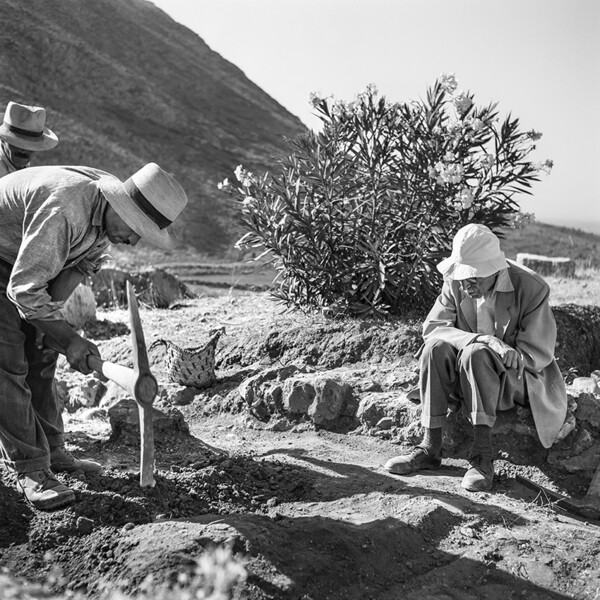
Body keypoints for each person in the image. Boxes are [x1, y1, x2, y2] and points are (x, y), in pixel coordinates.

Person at [0, 163, 187, 510]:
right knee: (7, 364)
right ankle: (30, 470)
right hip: (4, 259)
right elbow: (24, 291)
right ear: (121, 206)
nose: (132, 241)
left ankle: (53, 451)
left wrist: (53, 334)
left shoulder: (105, 220)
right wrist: (70, 339)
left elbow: (74, 271)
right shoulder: (66, 209)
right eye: (136, 229)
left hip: (20, 265)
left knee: (42, 354)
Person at [384, 223, 567, 492]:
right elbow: (434, 328)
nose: (467, 285)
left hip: (514, 378)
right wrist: (483, 339)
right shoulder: (456, 282)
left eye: (474, 278)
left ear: (494, 271)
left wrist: (494, 350)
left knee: (477, 353)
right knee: (436, 348)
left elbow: (538, 354)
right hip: (465, 373)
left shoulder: (531, 288)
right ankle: (430, 448)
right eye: (463, 277)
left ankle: (482, 457)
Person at [0, 101, 59, 177]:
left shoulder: (22, 166)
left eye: (30, 145)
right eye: (17, 143)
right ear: (3, 140)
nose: (23, 150)